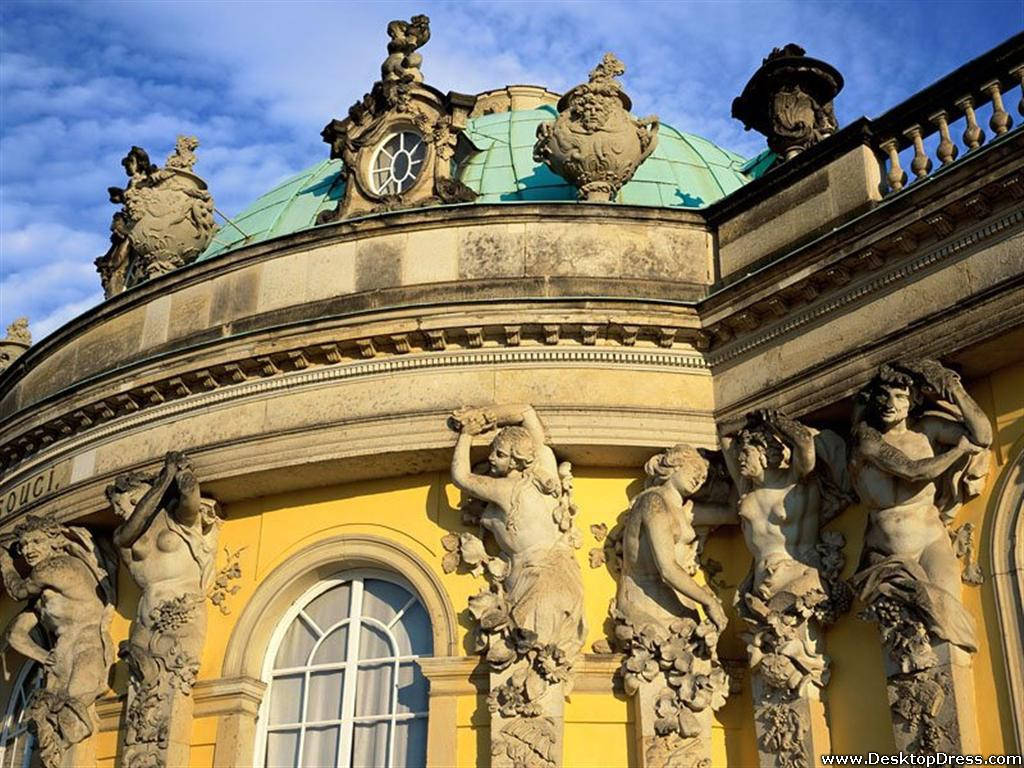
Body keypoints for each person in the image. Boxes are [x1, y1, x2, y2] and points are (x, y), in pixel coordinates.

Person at [849, 360, 991, 657]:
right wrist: (957, 451)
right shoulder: (867, 441)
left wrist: (953, 389)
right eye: (883, 396)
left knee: (949, 627)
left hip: (932, 542)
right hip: (887, 554)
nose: (890, 404)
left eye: (900, 396)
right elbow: (913, 472)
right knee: (908, 645)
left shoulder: (928, 430)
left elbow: (983, 436)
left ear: (913, 401)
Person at [449, 404, 585, 659]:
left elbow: (461, 477)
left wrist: (468, 432)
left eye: (499, 454)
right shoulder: (545, 466)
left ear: (517, 460)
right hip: (564, 575)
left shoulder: (505, 490)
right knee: (547, 657)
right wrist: (492, 416)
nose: (491, 459)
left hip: (536, 581)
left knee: (529, 656)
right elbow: (526, 412)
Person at [0, 515, 114, 767]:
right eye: (24, 546)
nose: (28, 551)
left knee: (72, 720)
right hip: (61, 654)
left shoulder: (54, 567)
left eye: (36, 542)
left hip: (87, 646)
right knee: (49, 724)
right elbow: (14, 634)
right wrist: (42, 656)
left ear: (53, 542)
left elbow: (18, 591)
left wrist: (5, 562)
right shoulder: (43, 598)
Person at [616, 444, 728, 635]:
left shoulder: (685, 511)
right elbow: (667, 568)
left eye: (703, 478)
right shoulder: (653, 502)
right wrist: (709, 602)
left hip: (677, 599)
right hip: (646, 600)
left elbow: (734, 512)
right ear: (676, 464)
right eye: (695, 469)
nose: (699, 479)